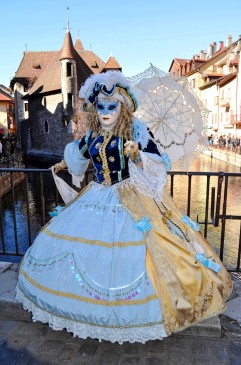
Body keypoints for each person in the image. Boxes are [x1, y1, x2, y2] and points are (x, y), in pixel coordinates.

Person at [16, 71, 232, 344]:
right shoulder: (94, 133)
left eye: (112, 106)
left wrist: (137, 154)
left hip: (129, 196)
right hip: (96, 194)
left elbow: (157, 162)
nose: (106, 111)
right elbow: (78, 154)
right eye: (102, 106)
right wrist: (60, 165)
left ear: (123, 107)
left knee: (146, 247)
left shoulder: (136, 131)